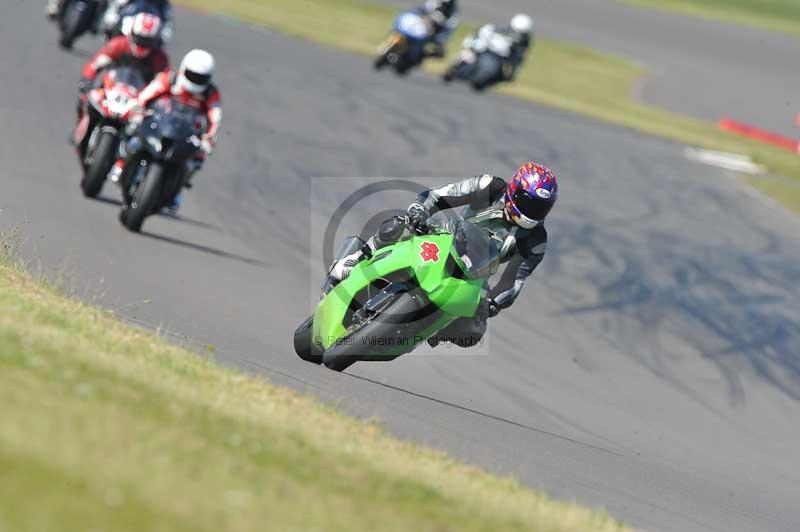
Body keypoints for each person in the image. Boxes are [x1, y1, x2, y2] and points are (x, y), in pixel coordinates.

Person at [328, 162, 557, 348]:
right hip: (445, 238)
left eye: (540, 208)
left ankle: (428, 329)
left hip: (476, 274)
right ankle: (355, 258)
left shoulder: (536, 240)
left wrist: (492, 304)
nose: (532, 213)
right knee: (399, 226)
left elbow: (514, 281)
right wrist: (419, 211)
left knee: (473, 331)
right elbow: (440, 195)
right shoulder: (490, 187)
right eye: (528, 203)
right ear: (514, 191)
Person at [109, 49, 221, 210]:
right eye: (193, 75)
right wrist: (138, 108)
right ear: (183, 69)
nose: (196, 80)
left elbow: (215, 116)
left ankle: (177, 190)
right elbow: (147, 94)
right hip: (159, 122)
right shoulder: (169, 78)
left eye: (201, 78)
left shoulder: (210, 93)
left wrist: (210, 135)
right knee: (133, 133)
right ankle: (120, 164)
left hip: (186, 132)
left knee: (197, 158)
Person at [74, 12, 168, 161]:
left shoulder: (159, 58)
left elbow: (163, 83)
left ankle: (128, 159)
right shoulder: (119, 44)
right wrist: (87, 80)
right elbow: (95, 63)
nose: (142, 44)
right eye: (140, 38)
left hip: (137, 99)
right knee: (84, 99)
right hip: (110, 88)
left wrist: (157, 102)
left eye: (147, 41)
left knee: (150, 126)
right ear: (132, 32)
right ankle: (81, 128)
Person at [445, 13, 533, 83]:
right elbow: (476, 37)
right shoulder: (494, 29)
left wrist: (512, 72)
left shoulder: (522, 42)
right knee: (468, 54)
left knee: (501, 75)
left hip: (498, 58)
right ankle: (455, 69)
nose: (517, 35)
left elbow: (518, 59)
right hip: (482, 49)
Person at [101, 0, 174, 42]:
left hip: (150, 35)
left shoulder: (163, 4)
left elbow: (168, 23)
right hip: (128, 30)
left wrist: (163, 34)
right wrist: (112, 22)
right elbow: (115, 9)